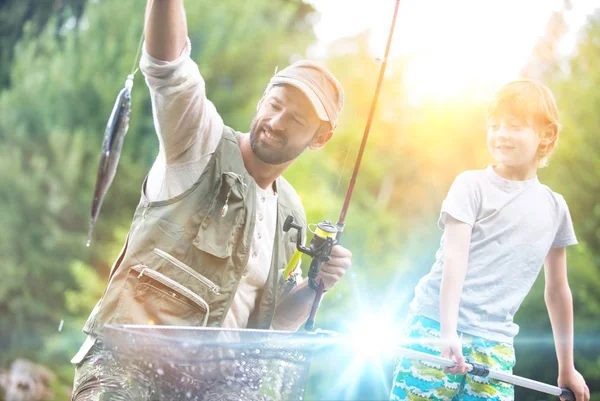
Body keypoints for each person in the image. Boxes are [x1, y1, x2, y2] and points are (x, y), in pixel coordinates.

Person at [70, 0, 352, 399]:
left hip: (212, 390)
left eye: (296, 120)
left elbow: (271, 327)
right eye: (274, 105)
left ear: (320, 139)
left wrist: (313, 286)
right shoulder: (199, 142)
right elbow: (168, 70)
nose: (275, 122)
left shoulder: (291, 213)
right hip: (127, 368)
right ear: (260, 101)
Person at [390, 79, 590, 401]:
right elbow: (456, 260)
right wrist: (447, 331)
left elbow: (557, 291)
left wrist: (566, 366)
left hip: (495, 343)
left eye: (514, 126)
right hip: (434, 326)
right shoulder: (471, 186)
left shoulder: (555, 208)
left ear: (547, 134)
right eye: (494, 125)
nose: (501, 135)